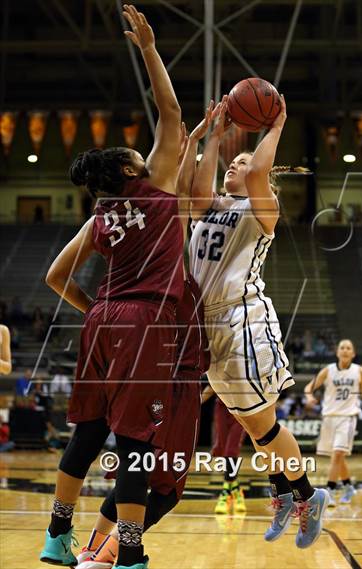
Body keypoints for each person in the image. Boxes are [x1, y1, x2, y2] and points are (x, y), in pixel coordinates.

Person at [39, 6, 184, 569]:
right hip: (144, 322)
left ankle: (57, 535)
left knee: (90, 428)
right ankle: (128, 553)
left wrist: (94, 307)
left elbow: (55, 276)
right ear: (131, 171)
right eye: (134, 155)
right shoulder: (154, 189)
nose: (142, 153)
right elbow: (169, 111)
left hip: (101, 320)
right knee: (133, 444)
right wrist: (149, 47)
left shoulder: (100, 213)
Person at [73, 98, 213, 569]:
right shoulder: (163, 208)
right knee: (160, 479)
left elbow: (187, 168)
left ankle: (91, 548)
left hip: (130, 338)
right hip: (168, 362)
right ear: (134, 172)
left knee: (132, 456)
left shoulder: (123, 213)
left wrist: (201, 141)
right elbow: (171, 121)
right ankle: (115, 555)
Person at [189, 94, 328, 549]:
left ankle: (307, 495)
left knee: (263, 426)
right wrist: (214, 135)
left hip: (242, 321)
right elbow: (197, 187)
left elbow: (255, 175)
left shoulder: (260, 211)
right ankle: (283, 491)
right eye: (233, 164)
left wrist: (277, 123)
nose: (236, 167)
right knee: (254, 427)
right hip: (208, 328)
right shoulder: (208, 208)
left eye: (245, 164)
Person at [304, 339, 362, 506]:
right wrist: (310, 397)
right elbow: (308, 388)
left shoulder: (359, 371)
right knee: (337, 458)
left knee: (338, 454)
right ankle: (348, 486)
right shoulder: (328, 371)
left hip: (348, 417)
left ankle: (331, 491)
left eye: (349, 348)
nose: (345, 350)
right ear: (337, 352)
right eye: (342, 348)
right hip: (329, 417)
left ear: (353, 353)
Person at [202, 385, 246, 515]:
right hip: (222, 407)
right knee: (222, 449)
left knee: (231, 450)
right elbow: (212, 385)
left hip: (242, 409)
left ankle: (225, 493)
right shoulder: (219, 365)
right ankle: (237, 491)